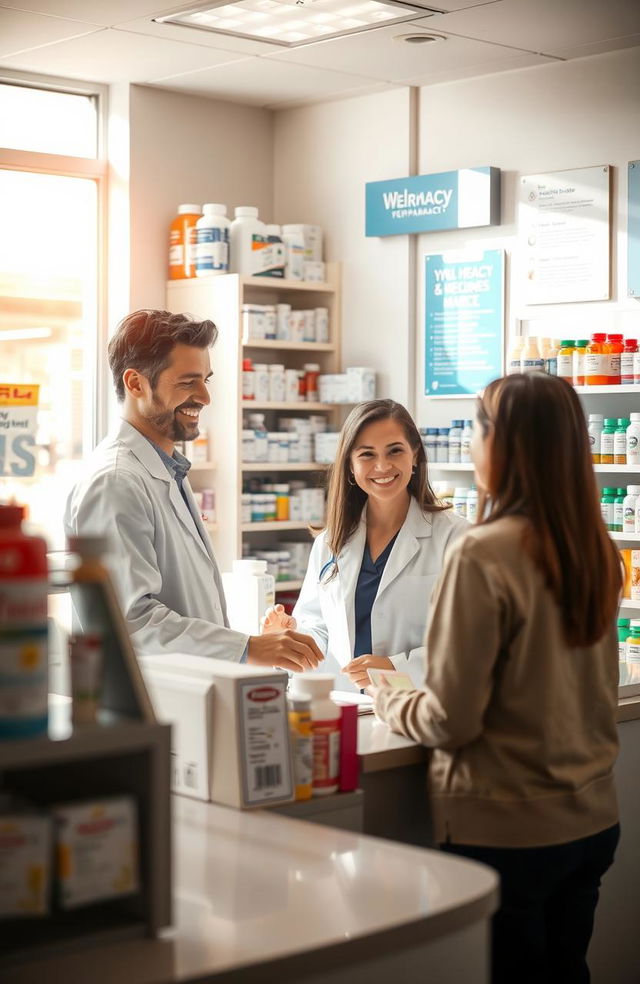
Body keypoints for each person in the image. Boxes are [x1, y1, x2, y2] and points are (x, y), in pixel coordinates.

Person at [370, 373, 621, 984]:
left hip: (510, 830)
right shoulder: (596, 547)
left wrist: (389, 696)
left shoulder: (482, 552)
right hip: (590, 819)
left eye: (479, 428)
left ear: (503, 445)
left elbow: (449, 719)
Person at [64, 309, 322, 673]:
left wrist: (252, 643)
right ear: (136, 384)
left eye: (205, 380)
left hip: (188, 691)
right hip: (150, 703)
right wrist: (247, 648)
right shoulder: (115, 482)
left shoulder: (170, 470)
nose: (204, 397)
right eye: (187, 382)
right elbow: (131, 623)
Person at [262, 399, 467, 691]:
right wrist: (292, 639)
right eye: (367, 455)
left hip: (421, 707)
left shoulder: (456, 538)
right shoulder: (330, 543)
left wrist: (399, 668)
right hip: (347, 705)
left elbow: (473, 640)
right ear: (350, 465)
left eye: (395, 450)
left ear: (415, 455)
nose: (382, 466)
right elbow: (318, 626)